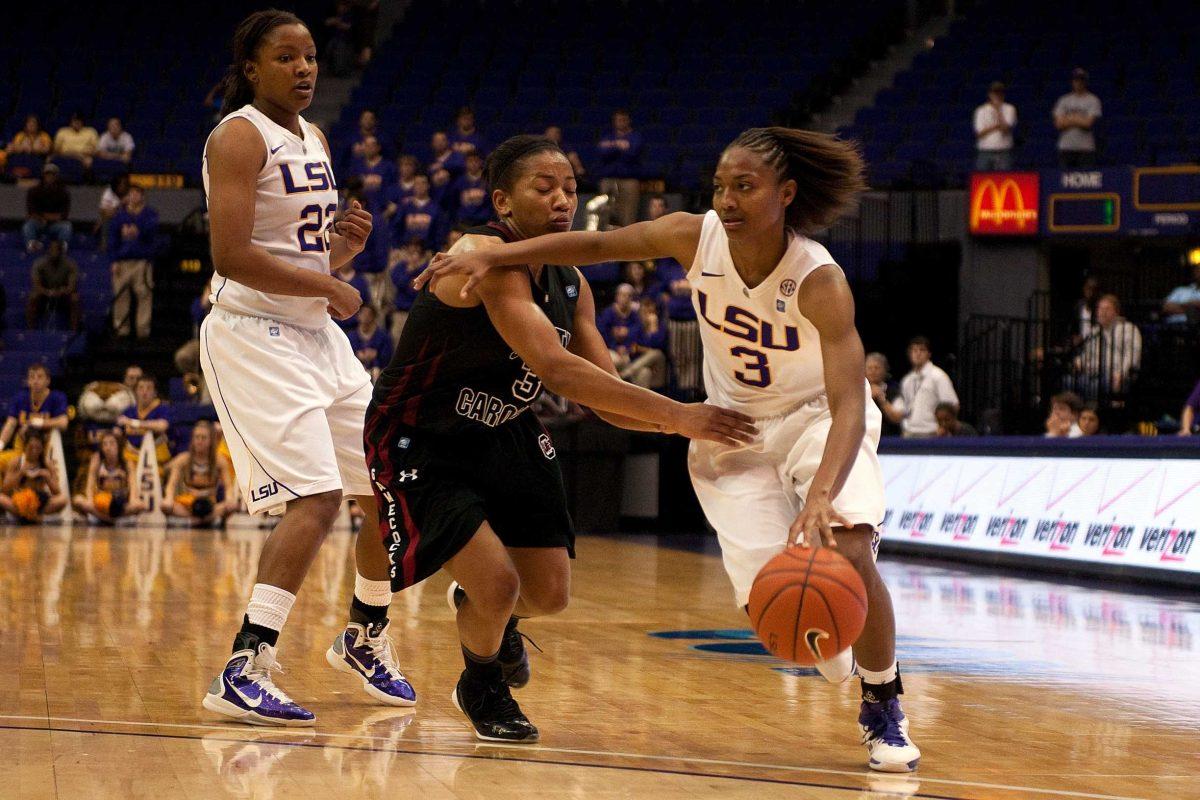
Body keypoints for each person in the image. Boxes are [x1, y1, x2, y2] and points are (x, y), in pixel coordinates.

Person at [420, 126, 921, 771]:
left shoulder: (820, 280)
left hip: (815, 417)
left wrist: (822, 493)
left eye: (746, 186)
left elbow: (851, 401)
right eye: (720, 185)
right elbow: (599, 243)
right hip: (731, 429)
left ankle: (883, 700)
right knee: (804, 630)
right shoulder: (695, 235)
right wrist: (499, 256)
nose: (728, 199)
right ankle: (845, 655)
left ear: (786, 193)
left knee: (850, 548)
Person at [369, 134, 753, 743]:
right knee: (498, 584)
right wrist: (681, 415)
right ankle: (482, 683)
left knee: (548, 595)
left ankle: (488, 619)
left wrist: (679, 426)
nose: (561, 199)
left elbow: (598, 391)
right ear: (502, 200)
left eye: (570, 188)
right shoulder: (485, 260)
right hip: (425, 433)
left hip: (505, 430)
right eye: (543, 188)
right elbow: (556, 368)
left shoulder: (571, 282)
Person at [198, 9, 415, 727]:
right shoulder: (237, 135)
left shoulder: (314, 136)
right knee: (318, 498)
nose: (303, 68)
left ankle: (364, 633)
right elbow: (232, 255)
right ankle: (245, 665)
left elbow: (299, 254)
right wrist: (328, 283)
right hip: (254, 335)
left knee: (385, 485)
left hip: (314, 334)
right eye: (285, 57)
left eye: (311, 56)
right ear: (252, 67)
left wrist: (339, 254)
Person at [881, 336, 959, 439]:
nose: (917, 353)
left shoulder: (938, 376)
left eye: (922, 350)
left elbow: (952, 405)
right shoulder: (907, 380)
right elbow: (901, 410)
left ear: (929, 354)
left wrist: (944, 428)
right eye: (914, 350)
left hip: (932, 434)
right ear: (909, 354)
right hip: (909, 434)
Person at [109, 185, 159, 339]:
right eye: (131, 193)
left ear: (142, 195)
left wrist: (137, 229)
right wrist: (114, 260)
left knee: (144, 294)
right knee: (120, 295)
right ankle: (121, 329)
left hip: (142, 261)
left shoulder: (150, 214)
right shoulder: (120, 215)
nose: (133, 196)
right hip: (123, 261)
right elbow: (113, 239)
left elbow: (152, 233)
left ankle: (143, 330)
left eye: (137, 193)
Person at [0, 364, 71, 472]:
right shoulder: (20, 398)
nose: (35, 381)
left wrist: (39, 423)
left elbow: (63, 422)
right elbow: (10, 424)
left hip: (46, 451)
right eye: (32, 377)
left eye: (39, 377)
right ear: (28, 381)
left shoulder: (57, 397)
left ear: (48, 381)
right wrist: (0, 444)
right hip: (22, 449)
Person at [164, 421, 235, 526]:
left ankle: (194, 521)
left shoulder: (219, 461)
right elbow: (171, 485)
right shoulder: (183, 459)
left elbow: (228, 486)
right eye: (197, 437)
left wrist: (229, 499)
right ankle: (205, 520)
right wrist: (168, 499)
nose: (200, 441)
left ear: (211, 440)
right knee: (165, 506)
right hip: (188, 503)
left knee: (232, 506)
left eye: (203, 438)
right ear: (192, 440)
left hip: (210, 504)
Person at [1073, 294, 1141, 397]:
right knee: (1068, 381)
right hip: (1092, 373)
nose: (1102, 312)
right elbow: (1087, 354)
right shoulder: (1095, 331)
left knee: (1097, 385)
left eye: (1107, 309)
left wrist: (1121, 373)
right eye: (1100, 309)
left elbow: (1132, 356)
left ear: (1116, 312)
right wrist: (1079, 361)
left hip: (1115, 374)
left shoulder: (1128, 329)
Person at [72, 430, 145, 524]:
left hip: (119, 501)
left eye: (112, 443)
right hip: (101, 501)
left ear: (118, 446)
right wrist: (90, 501)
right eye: (105, 444)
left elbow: (133, 486)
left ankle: (101, 519)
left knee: (140, 505)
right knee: (78, 500)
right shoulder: (97, 460)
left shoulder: (127, 463)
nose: (108, 447)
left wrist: (133, 500)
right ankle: (112, 520)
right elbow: (90, 485)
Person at [0, 429, 67, 523]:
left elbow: (57, 492)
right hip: (18, 502)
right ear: (25, 447)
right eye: (31, 447)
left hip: (40, 502)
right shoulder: (16, 462)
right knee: (1, 498)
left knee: (63, 500)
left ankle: (25, 517)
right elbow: (5, 490)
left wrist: (47, 477)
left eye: (38, 448)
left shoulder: (46, 463)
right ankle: (38, 518)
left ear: (42, 448)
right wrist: (20, 473)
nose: (34, 451)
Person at [594, 110, 643, 228]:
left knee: (628, 214)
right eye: (618, 120)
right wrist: (619, 145)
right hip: (608, 179)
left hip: (629, 180)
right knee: (605, 212)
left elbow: (632, 152)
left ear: (628, 121)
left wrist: (612, 146)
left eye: (623, 120)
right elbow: (602, 152)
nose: (620, 122)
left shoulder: (635, 137)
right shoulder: (608, 136)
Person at [117, 375, 171, 469]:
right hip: (132, 455)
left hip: (156, 454)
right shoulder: (129, 411)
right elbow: (118, 430)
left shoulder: (162, 408)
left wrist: (133, 423)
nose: (144, 392)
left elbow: (162, 425)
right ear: (135, 392)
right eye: (141, 388)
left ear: (155, 393)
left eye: (149, 388)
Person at [26, 239, 81, 332]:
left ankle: (73, 331)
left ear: (61, 251)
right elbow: (36, 285)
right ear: (48, 250)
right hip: (44, 295)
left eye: (57, 250)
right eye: (52, 249)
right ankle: (30, 329)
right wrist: (48, 292)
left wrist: (63, 291)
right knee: (33, 296)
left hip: (63, 296)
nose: (54, 252)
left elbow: (71, 287)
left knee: (75, 298)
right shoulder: (39, 264)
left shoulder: (70, 265)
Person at [1053, 68, 1102, 169]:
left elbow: (1088, 123)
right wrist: (1079, 118)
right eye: (1076, 80)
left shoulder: (1093, 100)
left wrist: (1069, 118)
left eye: (1081, 80)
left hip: (1086, 148)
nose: (1078, 83)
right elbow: (1058, 124)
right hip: (1065, 147)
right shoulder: (1063, 100)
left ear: (1085, 82)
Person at [23, 163, 72, 253]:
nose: (49, 177)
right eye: (47, 174)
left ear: (56, 176)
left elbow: (64, 214)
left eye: (52, 175)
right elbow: (32, 211)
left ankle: (61, 247)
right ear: (43, 175)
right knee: (28, 226)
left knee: (66, 227)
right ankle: (32, 245)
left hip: (56, 224)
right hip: (38, 222)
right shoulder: (34, 191)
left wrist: (46, 217)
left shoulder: (64, 192)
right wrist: (41, 218)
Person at [973, 82, 1016, 171]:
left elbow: (1006, 129)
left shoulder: (1010, 109)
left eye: (1000, 93)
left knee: (1003, 179)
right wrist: (996, 126)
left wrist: (998, 110)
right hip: (985, 151)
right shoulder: (981, 110)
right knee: (983, 180)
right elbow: (980, 133)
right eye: (995, 93)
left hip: (1004, 151)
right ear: (990, 94)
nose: (997, 96)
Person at [346, 303, 392, 379]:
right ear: (358, 316)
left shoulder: (383, 336)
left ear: (374, 317)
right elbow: (346, 355)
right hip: (357, 368)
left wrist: (376, 356)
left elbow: (388, 355)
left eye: (369, 314)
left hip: (378, 370)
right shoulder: (351, 336)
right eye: (363, 313)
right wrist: (357, 355)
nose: (366, 316)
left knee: (376, 372)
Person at [866, 352, 901, 437]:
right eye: (869, 368)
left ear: (885, 370)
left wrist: (882, 399)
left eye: (877, 368)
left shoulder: (894, 390)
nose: (873, 371)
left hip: (889, 440)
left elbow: (897, 418)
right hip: (864, 438)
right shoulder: (857, 391)